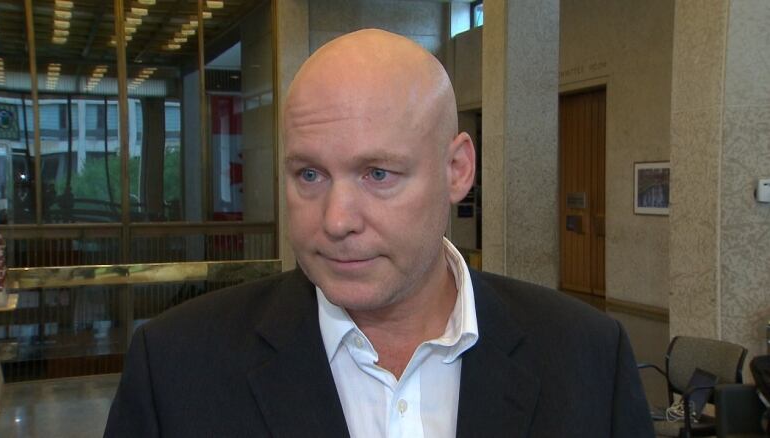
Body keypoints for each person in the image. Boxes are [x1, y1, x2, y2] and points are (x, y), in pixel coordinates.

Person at [104, 29, 654, 437]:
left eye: (378, 174)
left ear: (457, 169)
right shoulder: (175, 369)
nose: (338, 220)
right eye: (310, 175)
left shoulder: (587, 359)